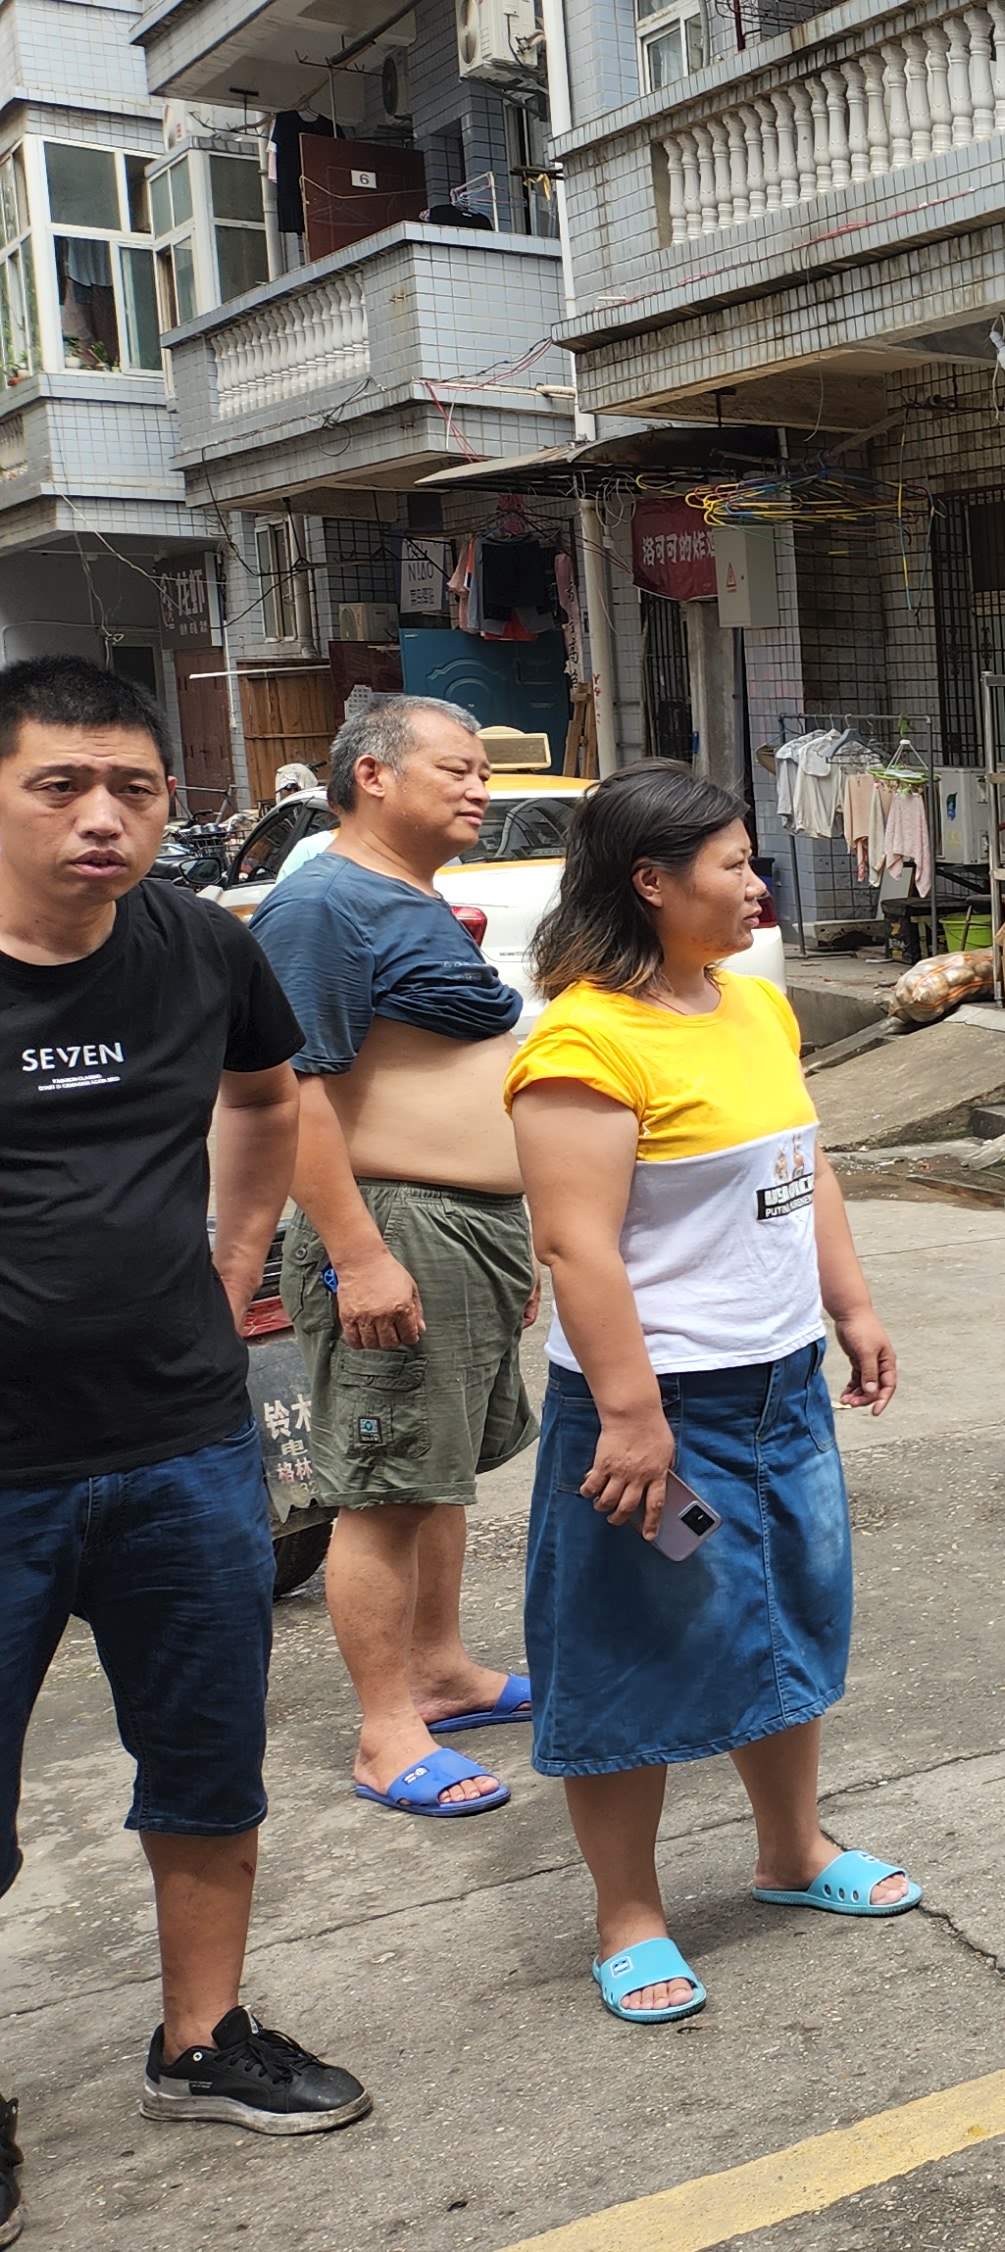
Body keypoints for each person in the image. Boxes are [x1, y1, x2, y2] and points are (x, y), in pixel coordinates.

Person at [0, 658, 370, 2176]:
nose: (105, 818)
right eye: (60, 786)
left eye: (134, 789)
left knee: (208, 1762)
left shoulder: (196, 946)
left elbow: (270, 1097)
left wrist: (231, 1264)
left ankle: (201, 2039)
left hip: (178, 1440)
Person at [504, 764, 913, 2026]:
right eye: (733, 863)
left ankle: (791, 1853)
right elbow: (576, 1243)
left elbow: (805, 1166)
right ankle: (628, 1915)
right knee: (631, 1646)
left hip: (779, 1386)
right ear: (651, 880)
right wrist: (631, 1413)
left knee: (786, 1613)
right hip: (658, 1410)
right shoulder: (584, 1042)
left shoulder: (751, 1008)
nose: (756, 885)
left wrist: (849, 1303)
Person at [249, 697, 538, 1821]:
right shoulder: (321, 900)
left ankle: (442, 1667)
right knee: (382, 1485)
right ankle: (385, 1730)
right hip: (392, 1222)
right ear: (372, 773)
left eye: (482, 770)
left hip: (460, 1228)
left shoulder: (399, 890)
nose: (478, 788)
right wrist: (362, 1257)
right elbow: (291, 1087)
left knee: (440, 1466)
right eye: (456, 769)